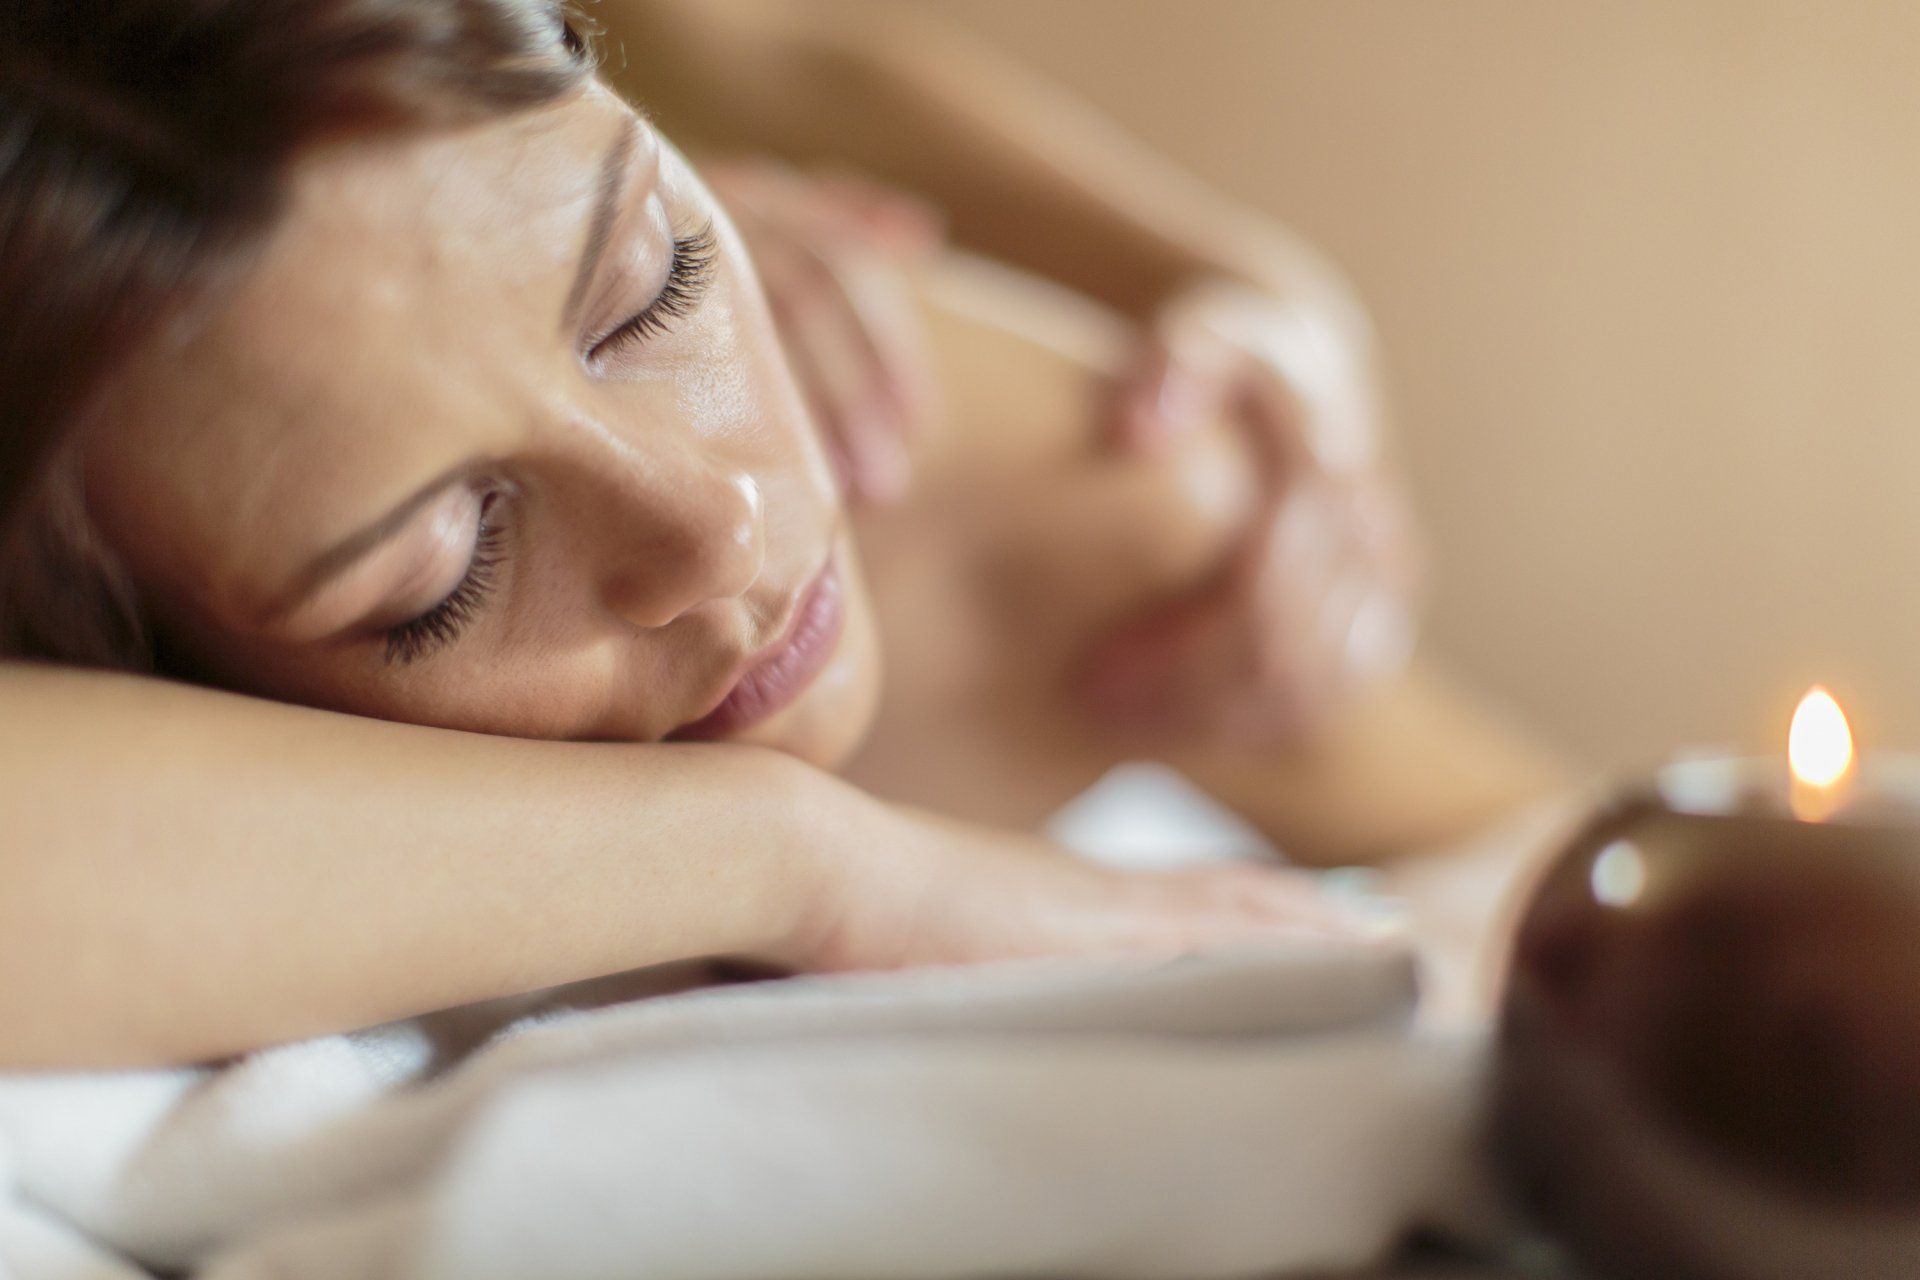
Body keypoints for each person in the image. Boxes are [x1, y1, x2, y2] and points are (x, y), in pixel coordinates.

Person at [0, 0, 1560, 1070]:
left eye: (657, 289)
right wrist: (810, 867)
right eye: (443, 574)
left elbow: (1541, 843)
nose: (717, 516)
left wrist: (1264, 286)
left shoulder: (1038, 509)